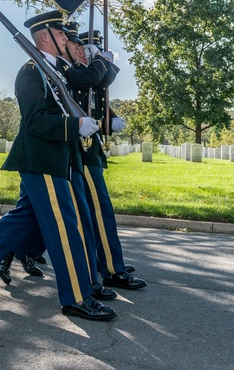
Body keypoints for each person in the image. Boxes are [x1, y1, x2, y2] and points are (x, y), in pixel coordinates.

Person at [0, 11, 116, 321]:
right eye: (61, 34)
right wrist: (73, 126)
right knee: (66, 228)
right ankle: (78, 297)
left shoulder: (57, 70)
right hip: (42, 159)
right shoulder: (31, 72)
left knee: (25, 219)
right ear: (45, 37)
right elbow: (35, 121)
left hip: (59, 160)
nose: (67, 39)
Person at [77, 29, 147, 291]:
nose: (91, 54)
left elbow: (99, 91)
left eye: (94, 50)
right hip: (81, 152)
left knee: (91, 212)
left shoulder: (88, 74)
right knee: (100, 210)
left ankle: (105, 261)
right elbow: (94, 84)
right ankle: (112, 269)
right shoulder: (77, 72)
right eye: (88, 48)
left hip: (90, 150)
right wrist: (100, 61)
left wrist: (111, 117)